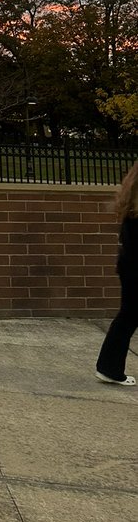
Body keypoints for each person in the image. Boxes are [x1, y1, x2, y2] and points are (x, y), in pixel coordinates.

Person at [95, 160, 138, 386]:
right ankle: (109, 368)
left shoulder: (132, 206)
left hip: (129, 268)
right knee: (128, 318)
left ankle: (108, 367)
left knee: (127, 317)